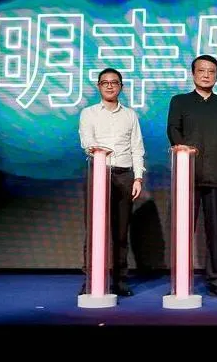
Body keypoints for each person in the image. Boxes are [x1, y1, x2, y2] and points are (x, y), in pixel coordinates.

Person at [167, 54, 217, 298]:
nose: (206, 75)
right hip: (187, 178)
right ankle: (180, 279)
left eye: (211, 71)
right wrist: (183, 151)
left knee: (215, 232)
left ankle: (216, 280)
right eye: (202, 70)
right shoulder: (180, 101)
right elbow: (173, 129)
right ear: (193, 73)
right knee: (183, 230)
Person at [78, 68, 146, 297]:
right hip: (98, 173)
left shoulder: (130, 115)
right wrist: (99, 153)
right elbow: (87, 142)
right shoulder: (88, 113)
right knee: (94, 230)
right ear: (98, 86)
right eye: (105, 82)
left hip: (124, 175)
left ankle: (120, 280)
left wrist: (138, 177)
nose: (109, 86)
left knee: (121, 230)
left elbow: (137, 147)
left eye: (114, 82)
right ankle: (92, 280)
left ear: (121, 87)